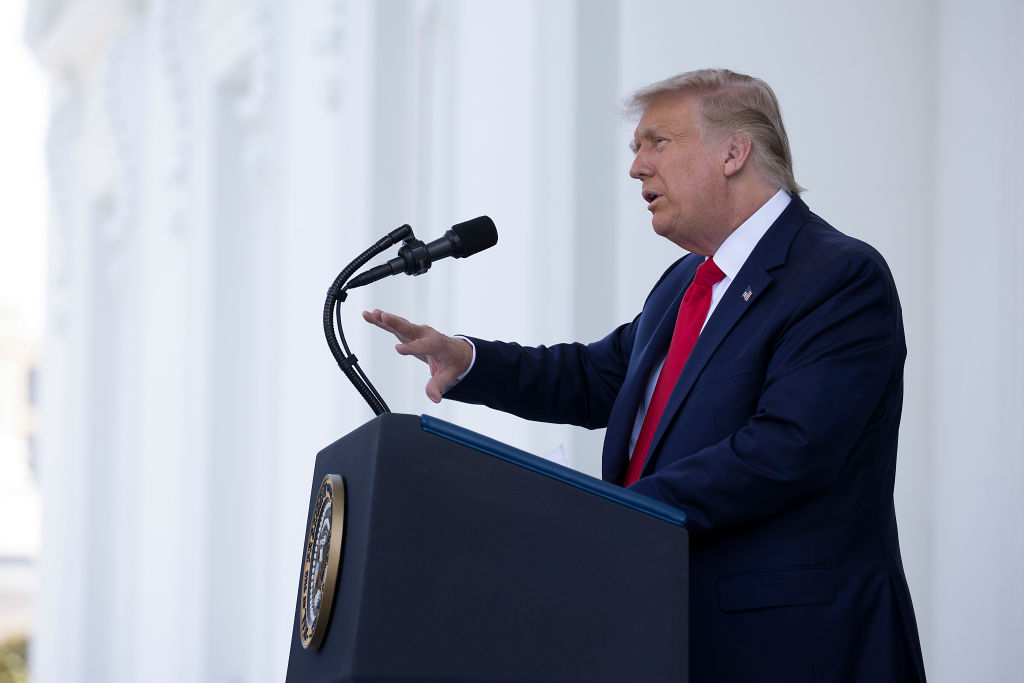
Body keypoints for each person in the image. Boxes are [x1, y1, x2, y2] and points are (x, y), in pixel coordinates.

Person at [363, 68, 926, 682]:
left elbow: (786, 450)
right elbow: (596, 377)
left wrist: (613, 515)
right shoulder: (685, 285)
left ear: (733, 152)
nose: (636, 167)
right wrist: (469, 360)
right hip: (667, 632)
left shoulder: (838, 276)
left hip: (792, 645)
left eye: (657, 141)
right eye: (635, 149)